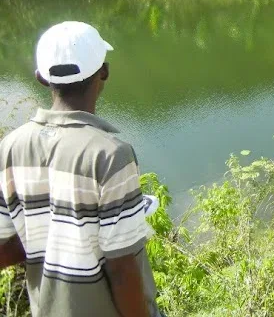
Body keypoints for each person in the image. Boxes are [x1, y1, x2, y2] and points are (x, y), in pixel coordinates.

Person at [0, 21, 160, 317]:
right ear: (104, 72)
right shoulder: (110, 155)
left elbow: (5, 248)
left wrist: (47, 230)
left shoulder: (9, 148)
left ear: (40, 78)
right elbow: (122, 269)